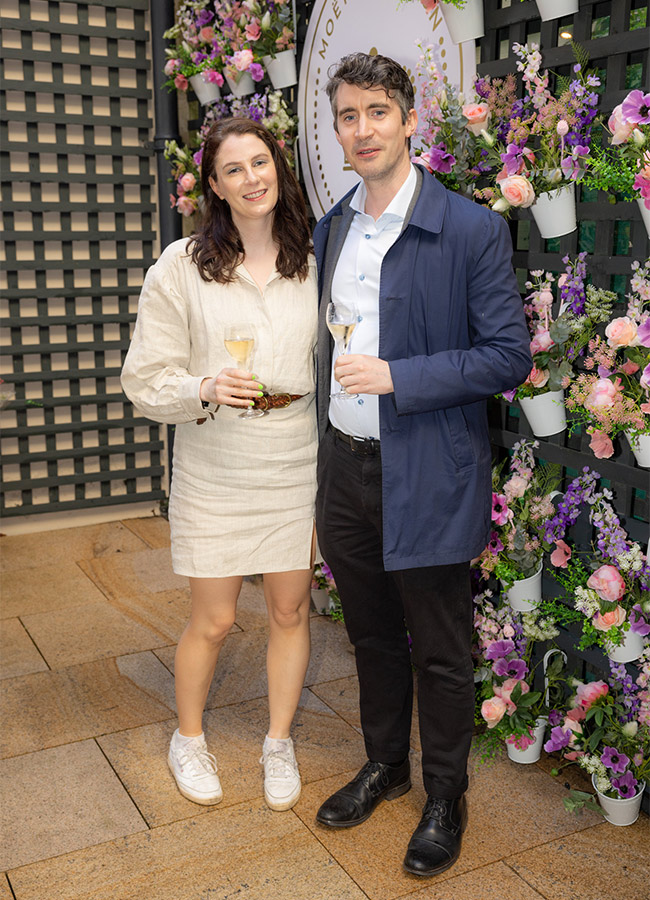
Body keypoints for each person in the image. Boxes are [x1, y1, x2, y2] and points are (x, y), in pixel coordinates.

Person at [312, 53, 532, 876]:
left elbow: (508, 356)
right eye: (347, 116)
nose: (361, 129)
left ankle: (444, 794)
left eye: (376, 112)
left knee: (439, 647)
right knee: (370, 633)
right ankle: (385, 765)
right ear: (336, 130)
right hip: (346, 466)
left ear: (410, 121)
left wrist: (403, 377)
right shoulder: (336, 224)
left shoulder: (468, 227)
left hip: (429, 468)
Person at [121, 117, 318, 813]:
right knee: (214, 619)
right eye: (233, 169)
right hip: (216, 457)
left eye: (260, 163)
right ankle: (189, 737)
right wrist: (203, 387)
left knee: (292, 609)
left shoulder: (314, 255)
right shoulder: (181, 266)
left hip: (294, 452)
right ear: (213, 184)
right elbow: (144, 378)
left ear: (278, 167)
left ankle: (277, 740)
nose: (251, 179)